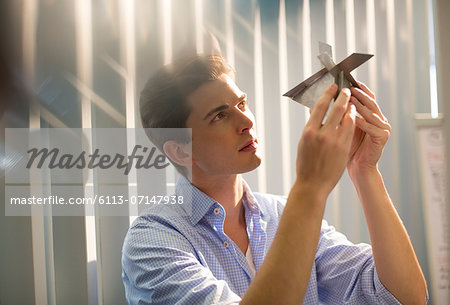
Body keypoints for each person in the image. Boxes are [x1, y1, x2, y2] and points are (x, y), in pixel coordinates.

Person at [122, 54, 427, 304]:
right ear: (179, 149)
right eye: (219, 115)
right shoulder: (152, 241)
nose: (246, 121)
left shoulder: (282, 216)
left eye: (241, 104)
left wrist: (364, 170)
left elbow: (401, 297)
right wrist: (310, 187)